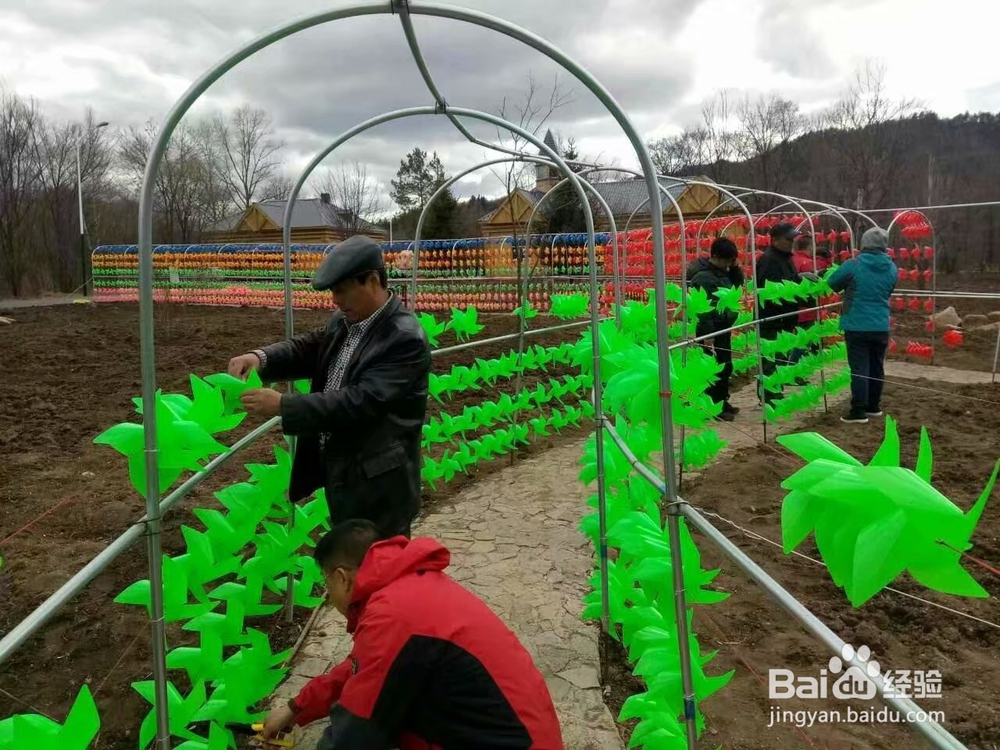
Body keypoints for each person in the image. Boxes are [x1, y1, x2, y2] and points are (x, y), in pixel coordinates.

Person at [261, 520, 565, 750]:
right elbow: (364, 667)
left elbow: (355, 735)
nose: (329, 595)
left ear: (341, 577)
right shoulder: (411, 588)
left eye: (326, 584)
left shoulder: (392, 613)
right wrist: (295, 708)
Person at [229, 235, 432, 538]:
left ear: (373, 281)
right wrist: (261, 358)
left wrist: (284, 405)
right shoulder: (346, 321)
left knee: (379, 571)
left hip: (379, 486)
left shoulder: (403, 338)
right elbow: (309, 348)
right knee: (353, 568)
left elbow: (360, 401)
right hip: (347, 474)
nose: (335, 300)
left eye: (341, 290)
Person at [827, 226, 898, 425]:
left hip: (857, 324)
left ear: (864, 244)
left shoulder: (854, 264)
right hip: (881, 324)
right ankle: (873, 406)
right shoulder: (892, 267)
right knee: (877, 366)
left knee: (859, 368)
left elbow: (833, 283)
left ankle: (858, 410)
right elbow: (889, 290)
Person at [687, 237, 744, 421]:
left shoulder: (721, 273)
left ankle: (722, 400)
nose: (729, 264)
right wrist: (708, 334)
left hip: (722, 326)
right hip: (710, 329)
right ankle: (712, 405)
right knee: (714, 368)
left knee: (725, 365)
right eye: (727, 260)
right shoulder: (703, 277)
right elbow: (703, 307)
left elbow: (736, 287)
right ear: (717, 256)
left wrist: (735, 268)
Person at [754, 222, 803, 404]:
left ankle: (775, 389)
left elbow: (792, 281)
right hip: (771, 317)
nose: (792, 242)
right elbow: (766, 288)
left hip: (785, 316)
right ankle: (767, 394)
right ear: (775, 240)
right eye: (788, 239)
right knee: (770, 357)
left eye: (793, 238)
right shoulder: (768, 259)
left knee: (780, 356)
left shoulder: (786, 257)